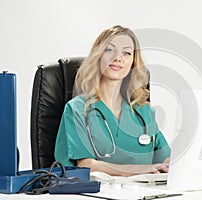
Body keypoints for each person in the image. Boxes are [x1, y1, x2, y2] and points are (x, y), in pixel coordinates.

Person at [54, 25, 171, 176]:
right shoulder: (77, 109)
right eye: (110, 50)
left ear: (133, 63)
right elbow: (85, 165)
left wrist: (175, 165)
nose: (118, 58)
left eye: (127, 53)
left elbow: (166, 158)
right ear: (98, 56)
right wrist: (134, 170)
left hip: (144, 192)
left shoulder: (144, 111)